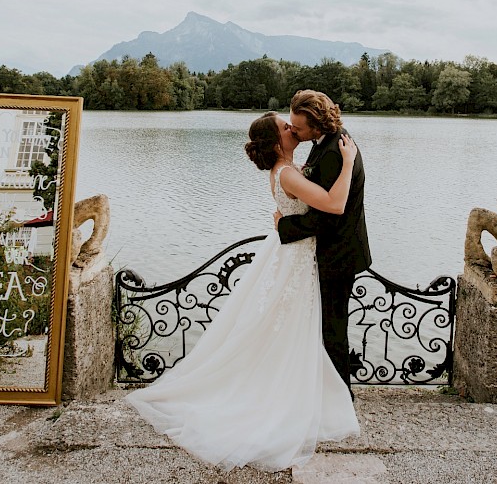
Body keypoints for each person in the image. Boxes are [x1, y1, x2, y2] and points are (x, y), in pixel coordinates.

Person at [126, 111, 360, 472]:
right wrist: (347, 164)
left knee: (287, 327)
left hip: (294, 255)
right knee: (290, 325)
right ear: (276, 141)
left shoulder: (291, 169)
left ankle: (296, 391)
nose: (291, 128)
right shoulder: (288, 173)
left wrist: (286, 219)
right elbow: (333, 204)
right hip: (296, 258)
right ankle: (288, 396)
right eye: (285, 127)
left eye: (292, 124)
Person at [276, 89, 372, 393]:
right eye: (290, 125)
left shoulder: (334, 151)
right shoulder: (326, 143)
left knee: (332, 329)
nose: (292, 130)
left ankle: (341, 397)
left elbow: (328, 214)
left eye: (298, 127)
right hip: (331, 249)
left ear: (317, 125)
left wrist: (286, 226)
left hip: (339, 252)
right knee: (325, 325)